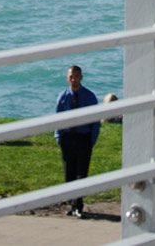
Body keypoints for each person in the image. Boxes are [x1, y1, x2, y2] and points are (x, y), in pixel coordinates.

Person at [54, 65, 102, 217]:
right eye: (70, 77)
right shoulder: (63, 97)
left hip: (83, 138)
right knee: (69, 172)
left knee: (82, 172)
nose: (73, 80)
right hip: (68, 138)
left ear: (81, 77)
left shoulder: (89, 97)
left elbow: (95, 121)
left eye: (76, 76)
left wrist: (91, 140)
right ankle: (72, 204)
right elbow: (57, 118)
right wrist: (58, 136)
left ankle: (78, 205)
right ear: (67, 78)